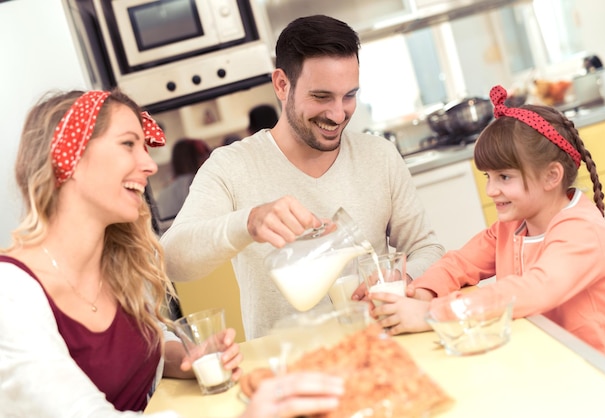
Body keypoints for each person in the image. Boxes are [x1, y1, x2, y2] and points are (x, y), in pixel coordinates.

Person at [0, 88, 345, 417]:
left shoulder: (115, 264)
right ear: (69, 158)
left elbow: (143, 345)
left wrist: (190, 356)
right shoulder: (11, 294)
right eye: (128, 145)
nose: (149, 166)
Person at [160, 14, 445, 340]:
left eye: (349, 95)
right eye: (321, 97)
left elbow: (427, 248)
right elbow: (172, 260)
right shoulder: (232, 166)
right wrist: (249, 223)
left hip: (381, 348)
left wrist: (402, 280)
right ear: (282, 84)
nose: (338, 114)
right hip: (288, 366)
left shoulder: (379, 156)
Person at [374, 85, 605, 366]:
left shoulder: (582, 232)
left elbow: (528, 291)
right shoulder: (514, 225)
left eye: (504, 177)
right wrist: (424, 291)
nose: (491, 189)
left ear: (551, 176)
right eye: (488, 177)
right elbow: (460, 263)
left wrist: (430, 314)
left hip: (601, 372)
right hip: (546, 356)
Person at [156, 138, 211, 220]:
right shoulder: (197, 184)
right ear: (196, 159)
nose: (208, 159)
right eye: (203, 156)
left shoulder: (163, 193)